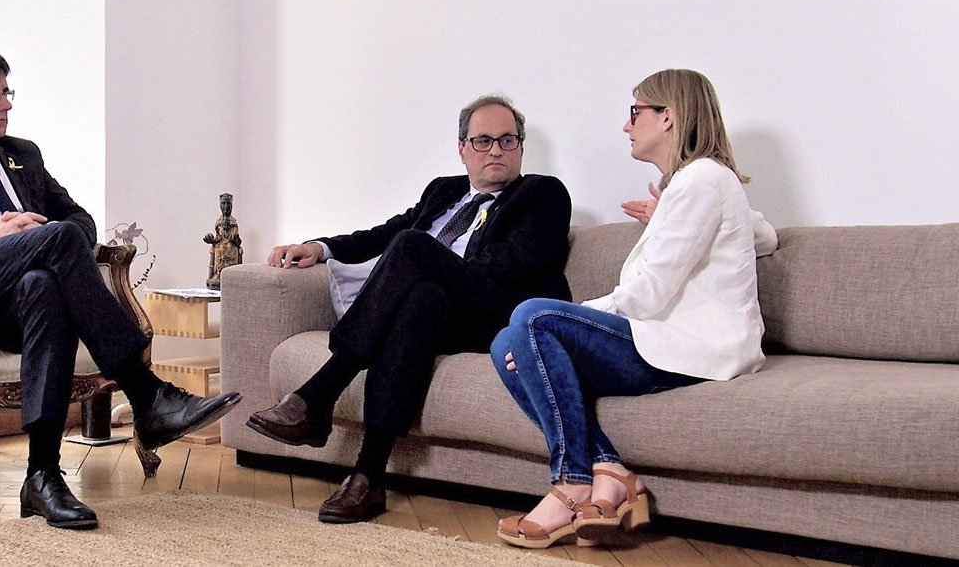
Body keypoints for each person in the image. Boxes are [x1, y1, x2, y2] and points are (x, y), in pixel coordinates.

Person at [0, 43, 241, 530]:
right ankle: (149, 396)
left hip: (17, 303)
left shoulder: (22, 154)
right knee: (53, 241)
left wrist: (36, 242)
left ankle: (41, 476)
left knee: (44, 281)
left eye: (7, 90)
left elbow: (79, 220)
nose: (7, 104)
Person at [247, 95, 573, 523]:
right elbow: (386, 232)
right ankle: (368, 477)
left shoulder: (542, 193)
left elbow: (516, 263)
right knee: (418, 300)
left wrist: (436, 267)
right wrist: (320, 247)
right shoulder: (443, 191)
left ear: (521, 148)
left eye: (508, 140)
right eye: (483, 140)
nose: (496, 150)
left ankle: (319, 393)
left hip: (498, 312)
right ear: (462, 149)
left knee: (415, 250)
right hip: (437, 312)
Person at [492, 69, 776, 549]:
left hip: (693, 348)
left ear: (667, 117)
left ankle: (571, 482)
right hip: (670, 343)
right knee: (505, 342)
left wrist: (557, 325)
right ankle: (612, 472)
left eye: (635, 111)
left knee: (533, 317)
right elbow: (764, 235)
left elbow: (648, 294)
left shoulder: (701, 179)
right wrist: (668, 210)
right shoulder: (697, 183)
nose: (627, 125)